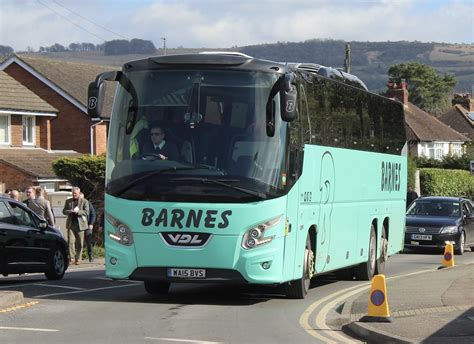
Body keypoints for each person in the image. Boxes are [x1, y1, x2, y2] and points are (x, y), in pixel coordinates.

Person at [63, 187, 89, 265]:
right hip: (71, 224)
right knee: (71, 242)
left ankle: (78, 258)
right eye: (73, 193)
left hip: (80, 225)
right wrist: (69, 211)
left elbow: (86, 212)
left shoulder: (84, 201)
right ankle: (72, 258)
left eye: (76, 193)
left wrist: (78, 212)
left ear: (79, 193)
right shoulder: (68, 201)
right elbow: (64, 211)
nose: (74, 194)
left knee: (80, 243)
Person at [81, 193, 96, 262]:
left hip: (87, 225)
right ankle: (79, 257)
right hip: (79, 226)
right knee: (79, 242)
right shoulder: (75, 203)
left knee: (88, 241)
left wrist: (91, 224)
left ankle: (91, 256)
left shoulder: (88, 204)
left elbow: (93, 214)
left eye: (82, 198)